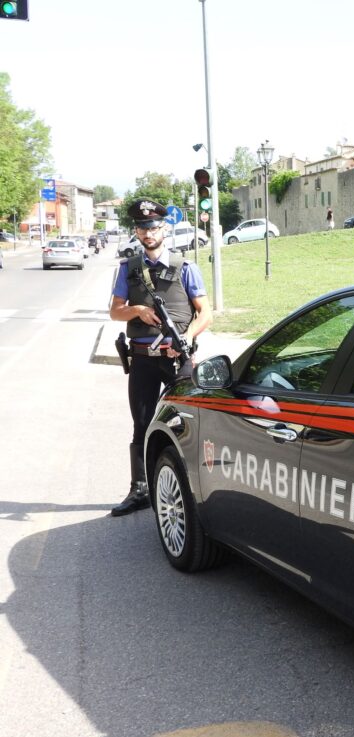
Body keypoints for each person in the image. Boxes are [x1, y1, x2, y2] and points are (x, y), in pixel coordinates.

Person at [108, 199, 212, 517]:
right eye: (142, 227)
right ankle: (140, 489)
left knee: (187, 424)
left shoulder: (186, 267)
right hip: (142, 359)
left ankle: (197, 490)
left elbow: (205, 312)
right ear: (136, 231)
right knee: (141, 424)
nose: (148, 232)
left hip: (176, 359)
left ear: (163, 228)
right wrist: (137, 310)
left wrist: (188, 338)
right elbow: (115, 311)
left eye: (152, 226)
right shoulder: (128, 268)